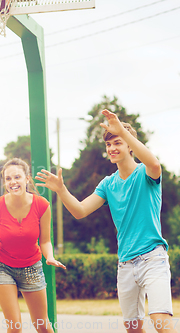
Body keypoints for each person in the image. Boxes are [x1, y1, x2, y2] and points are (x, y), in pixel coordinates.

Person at [35, 109, 176, 333]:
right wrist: (61, 190)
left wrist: (122, 130)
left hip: (153, 258)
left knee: (160, 321)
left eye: (117, 142)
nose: (111, 149)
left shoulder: (145, 174)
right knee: (132, 328)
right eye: (108, 145)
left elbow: (155, 164)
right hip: (125, 264)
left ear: (130, 145)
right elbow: (80, 210)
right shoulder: (108, 184)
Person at [0, 157, 66, 333]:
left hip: (31, 267)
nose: (13, 182)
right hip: (2, 267)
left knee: (43, 326)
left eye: (17, 177)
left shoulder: (42, 205)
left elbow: (45, 240)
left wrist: (50, 257)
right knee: (15, 327)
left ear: (27, 178)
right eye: (8, 179)